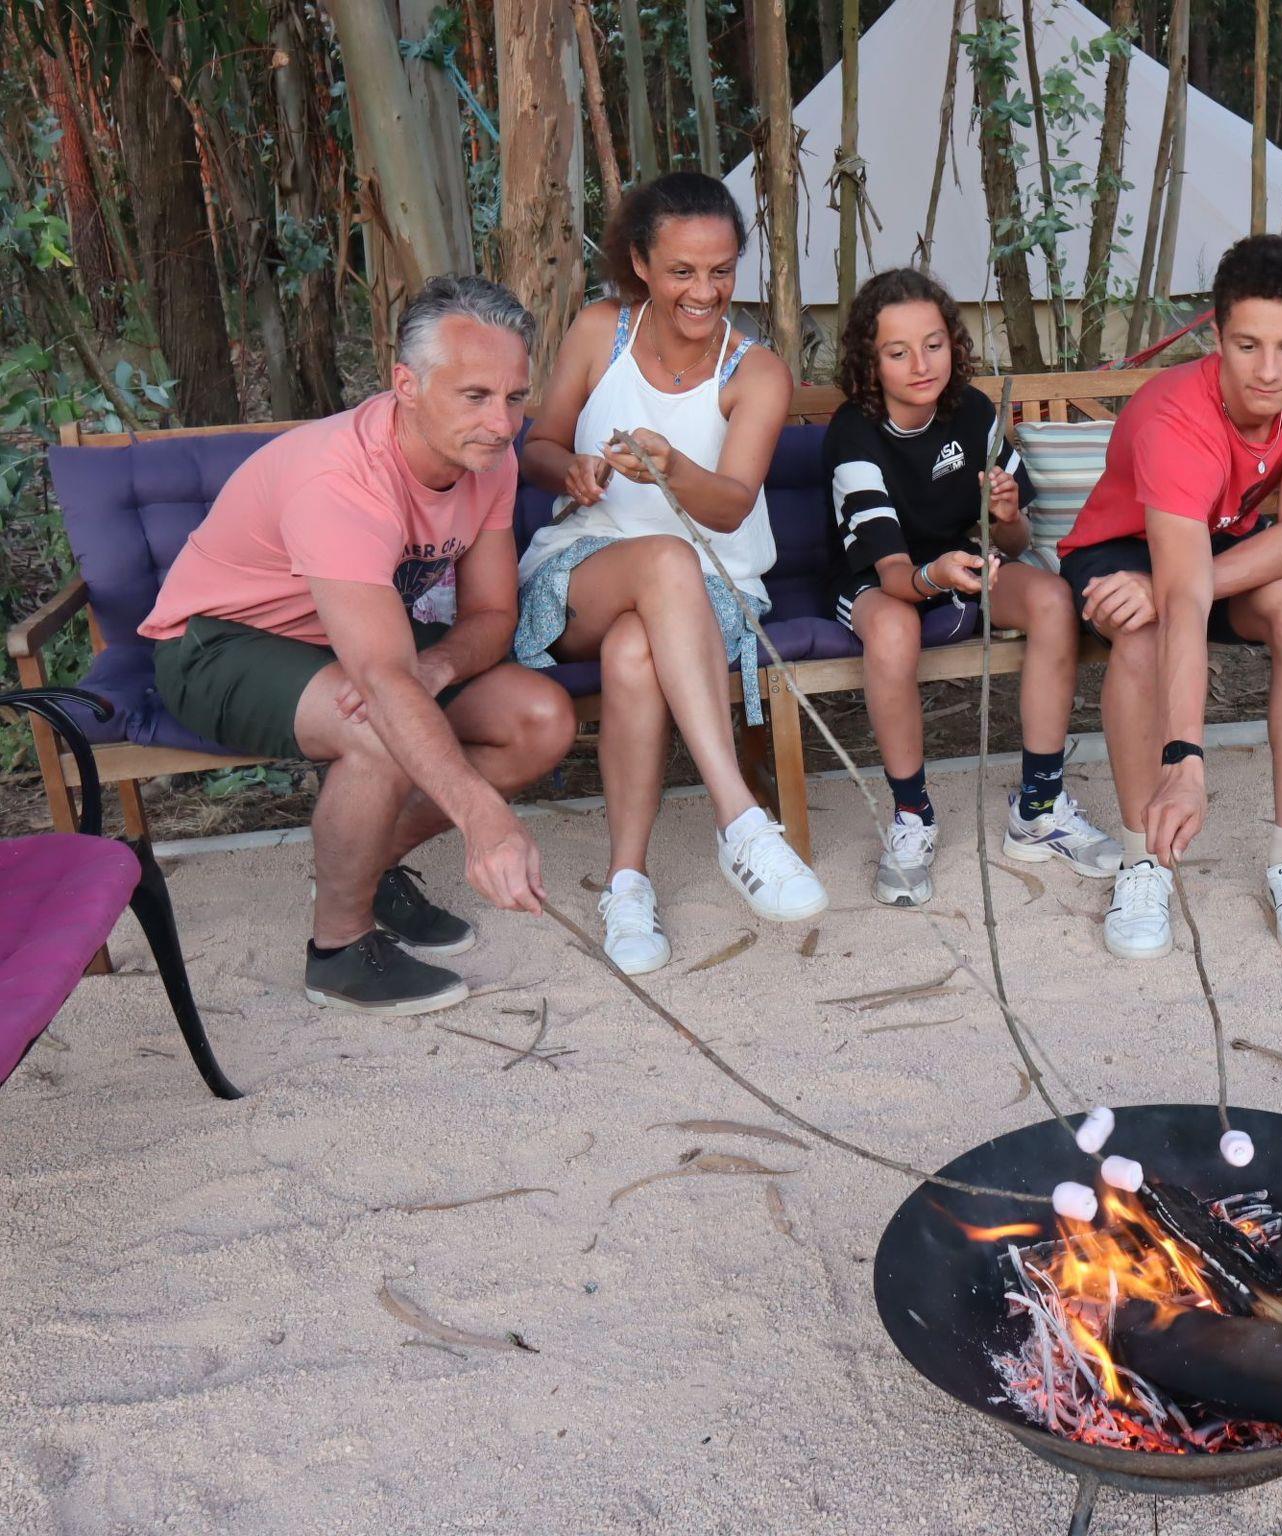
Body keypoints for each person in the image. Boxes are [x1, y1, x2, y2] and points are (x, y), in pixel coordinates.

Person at [141, 276, 577, 1015]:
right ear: (407, 385)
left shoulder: (489, 459)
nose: (502, 423)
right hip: (217, 643)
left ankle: (365, 872)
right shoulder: (341, 477)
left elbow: (493, 613)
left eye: (514, 397)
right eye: (475, 396)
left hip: (352, 635)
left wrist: (437, 664)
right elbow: (379, 678)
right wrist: (484, 819)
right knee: (379, 728)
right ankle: (339, 951)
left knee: (538, 718)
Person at [518, 171, 827, 976]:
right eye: (682, 270)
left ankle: (626, 886)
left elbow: (729, 507)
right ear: (640, 264)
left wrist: (673, 468)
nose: (705, 291)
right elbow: (537, 445)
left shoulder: (755, 372)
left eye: (721, 270)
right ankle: (741, 819)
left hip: (714, 587)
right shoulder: (600, 332)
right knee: (660, 559)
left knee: (634, 649)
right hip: (585, 567)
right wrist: (571, 469)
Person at [1056, 235, 1282, 963]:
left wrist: (1172, 588)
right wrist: (1185, 759)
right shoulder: (1174, 418)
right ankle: (1142, 861)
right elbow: (1181, 600)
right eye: (1248, 346)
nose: (1268, 370)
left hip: (1215, 548)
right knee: (1141, 635)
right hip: (1120, 550)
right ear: (1217, 337)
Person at [825, 268, 1118, 906]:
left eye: (934, 344)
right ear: (870, 363)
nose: (921, 364)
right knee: (894, 629)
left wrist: (1007, 514)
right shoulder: (854, 434)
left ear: (953, 345)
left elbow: (1013, 541)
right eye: (897, 352)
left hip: (962, 563)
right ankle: (912, 816)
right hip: (881, 577)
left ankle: (1038, 807)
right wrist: (938, 575)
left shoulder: (973, 410)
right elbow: (894, 574)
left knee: (1052, 600)